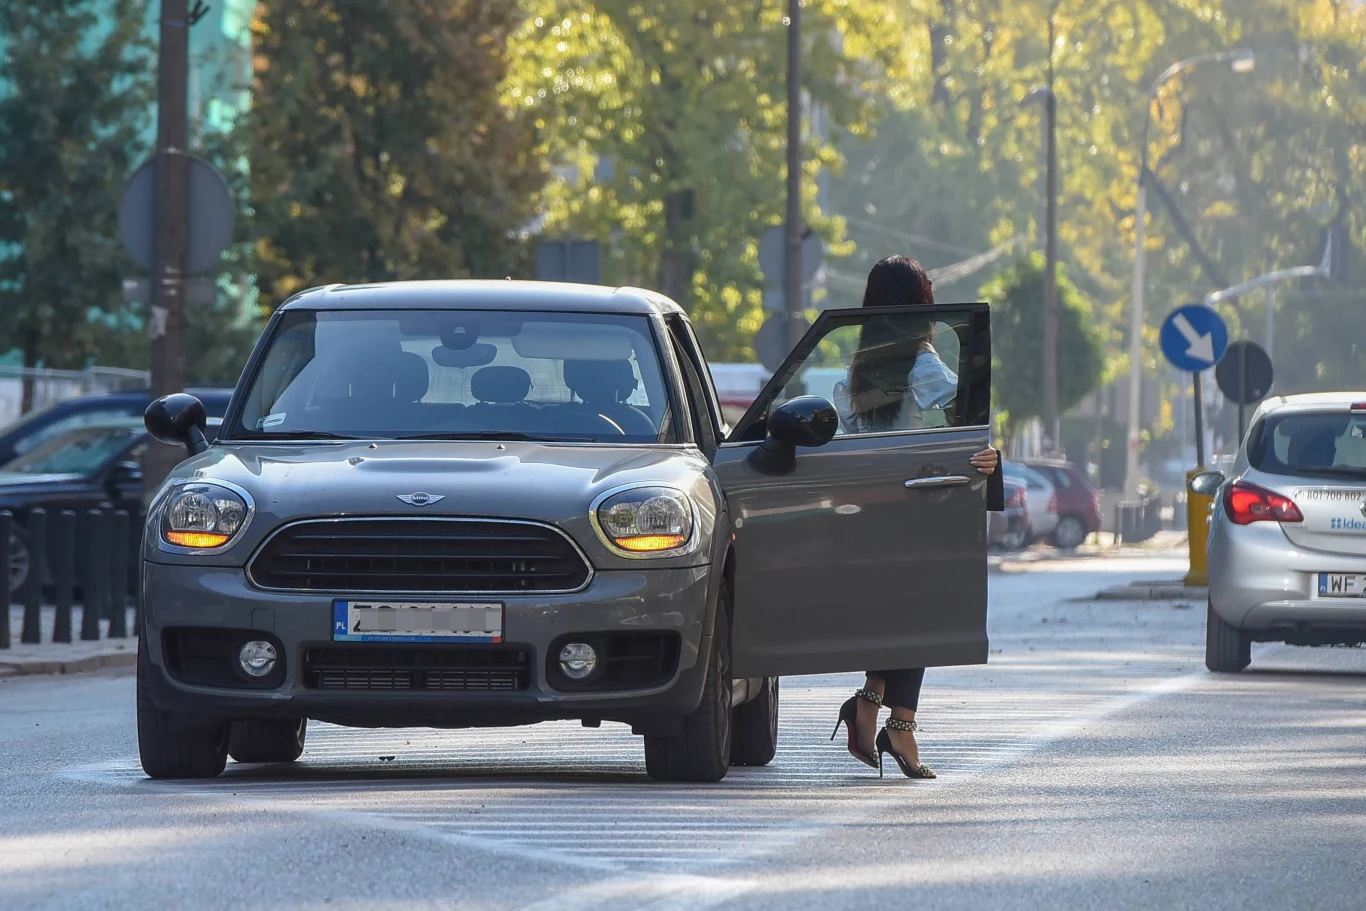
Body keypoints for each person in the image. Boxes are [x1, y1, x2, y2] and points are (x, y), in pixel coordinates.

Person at [829, 254, 1003, 778]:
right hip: (915, 506)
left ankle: (869, 704)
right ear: (921, 308)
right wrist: (987, 456)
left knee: (898, 612)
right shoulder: (923, 365)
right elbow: (964, 416)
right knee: (920, 614)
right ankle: (898, 727)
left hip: (870, 509)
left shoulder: (858, 370)